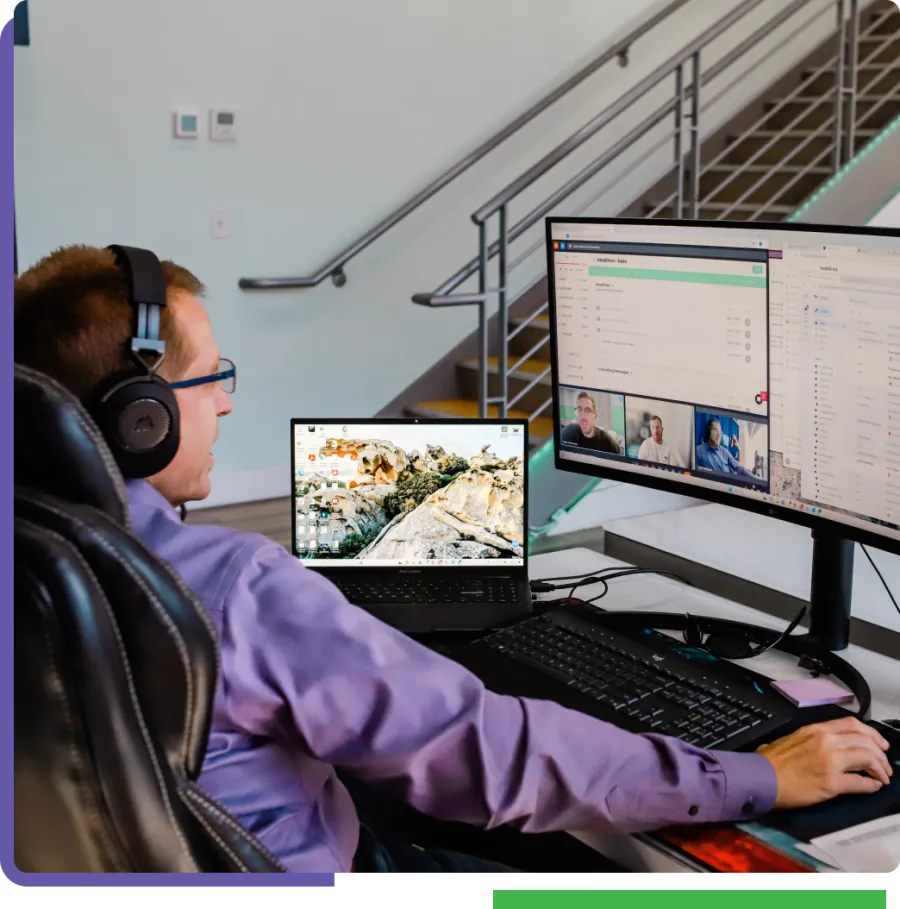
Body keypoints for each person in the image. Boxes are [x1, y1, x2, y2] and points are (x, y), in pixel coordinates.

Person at [14, 245, 893, 874]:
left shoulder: (38, 542)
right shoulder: (237, 587)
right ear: (143, 415)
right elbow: (488, 753)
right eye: (214, 378)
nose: (228, 408)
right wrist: (757, 774)